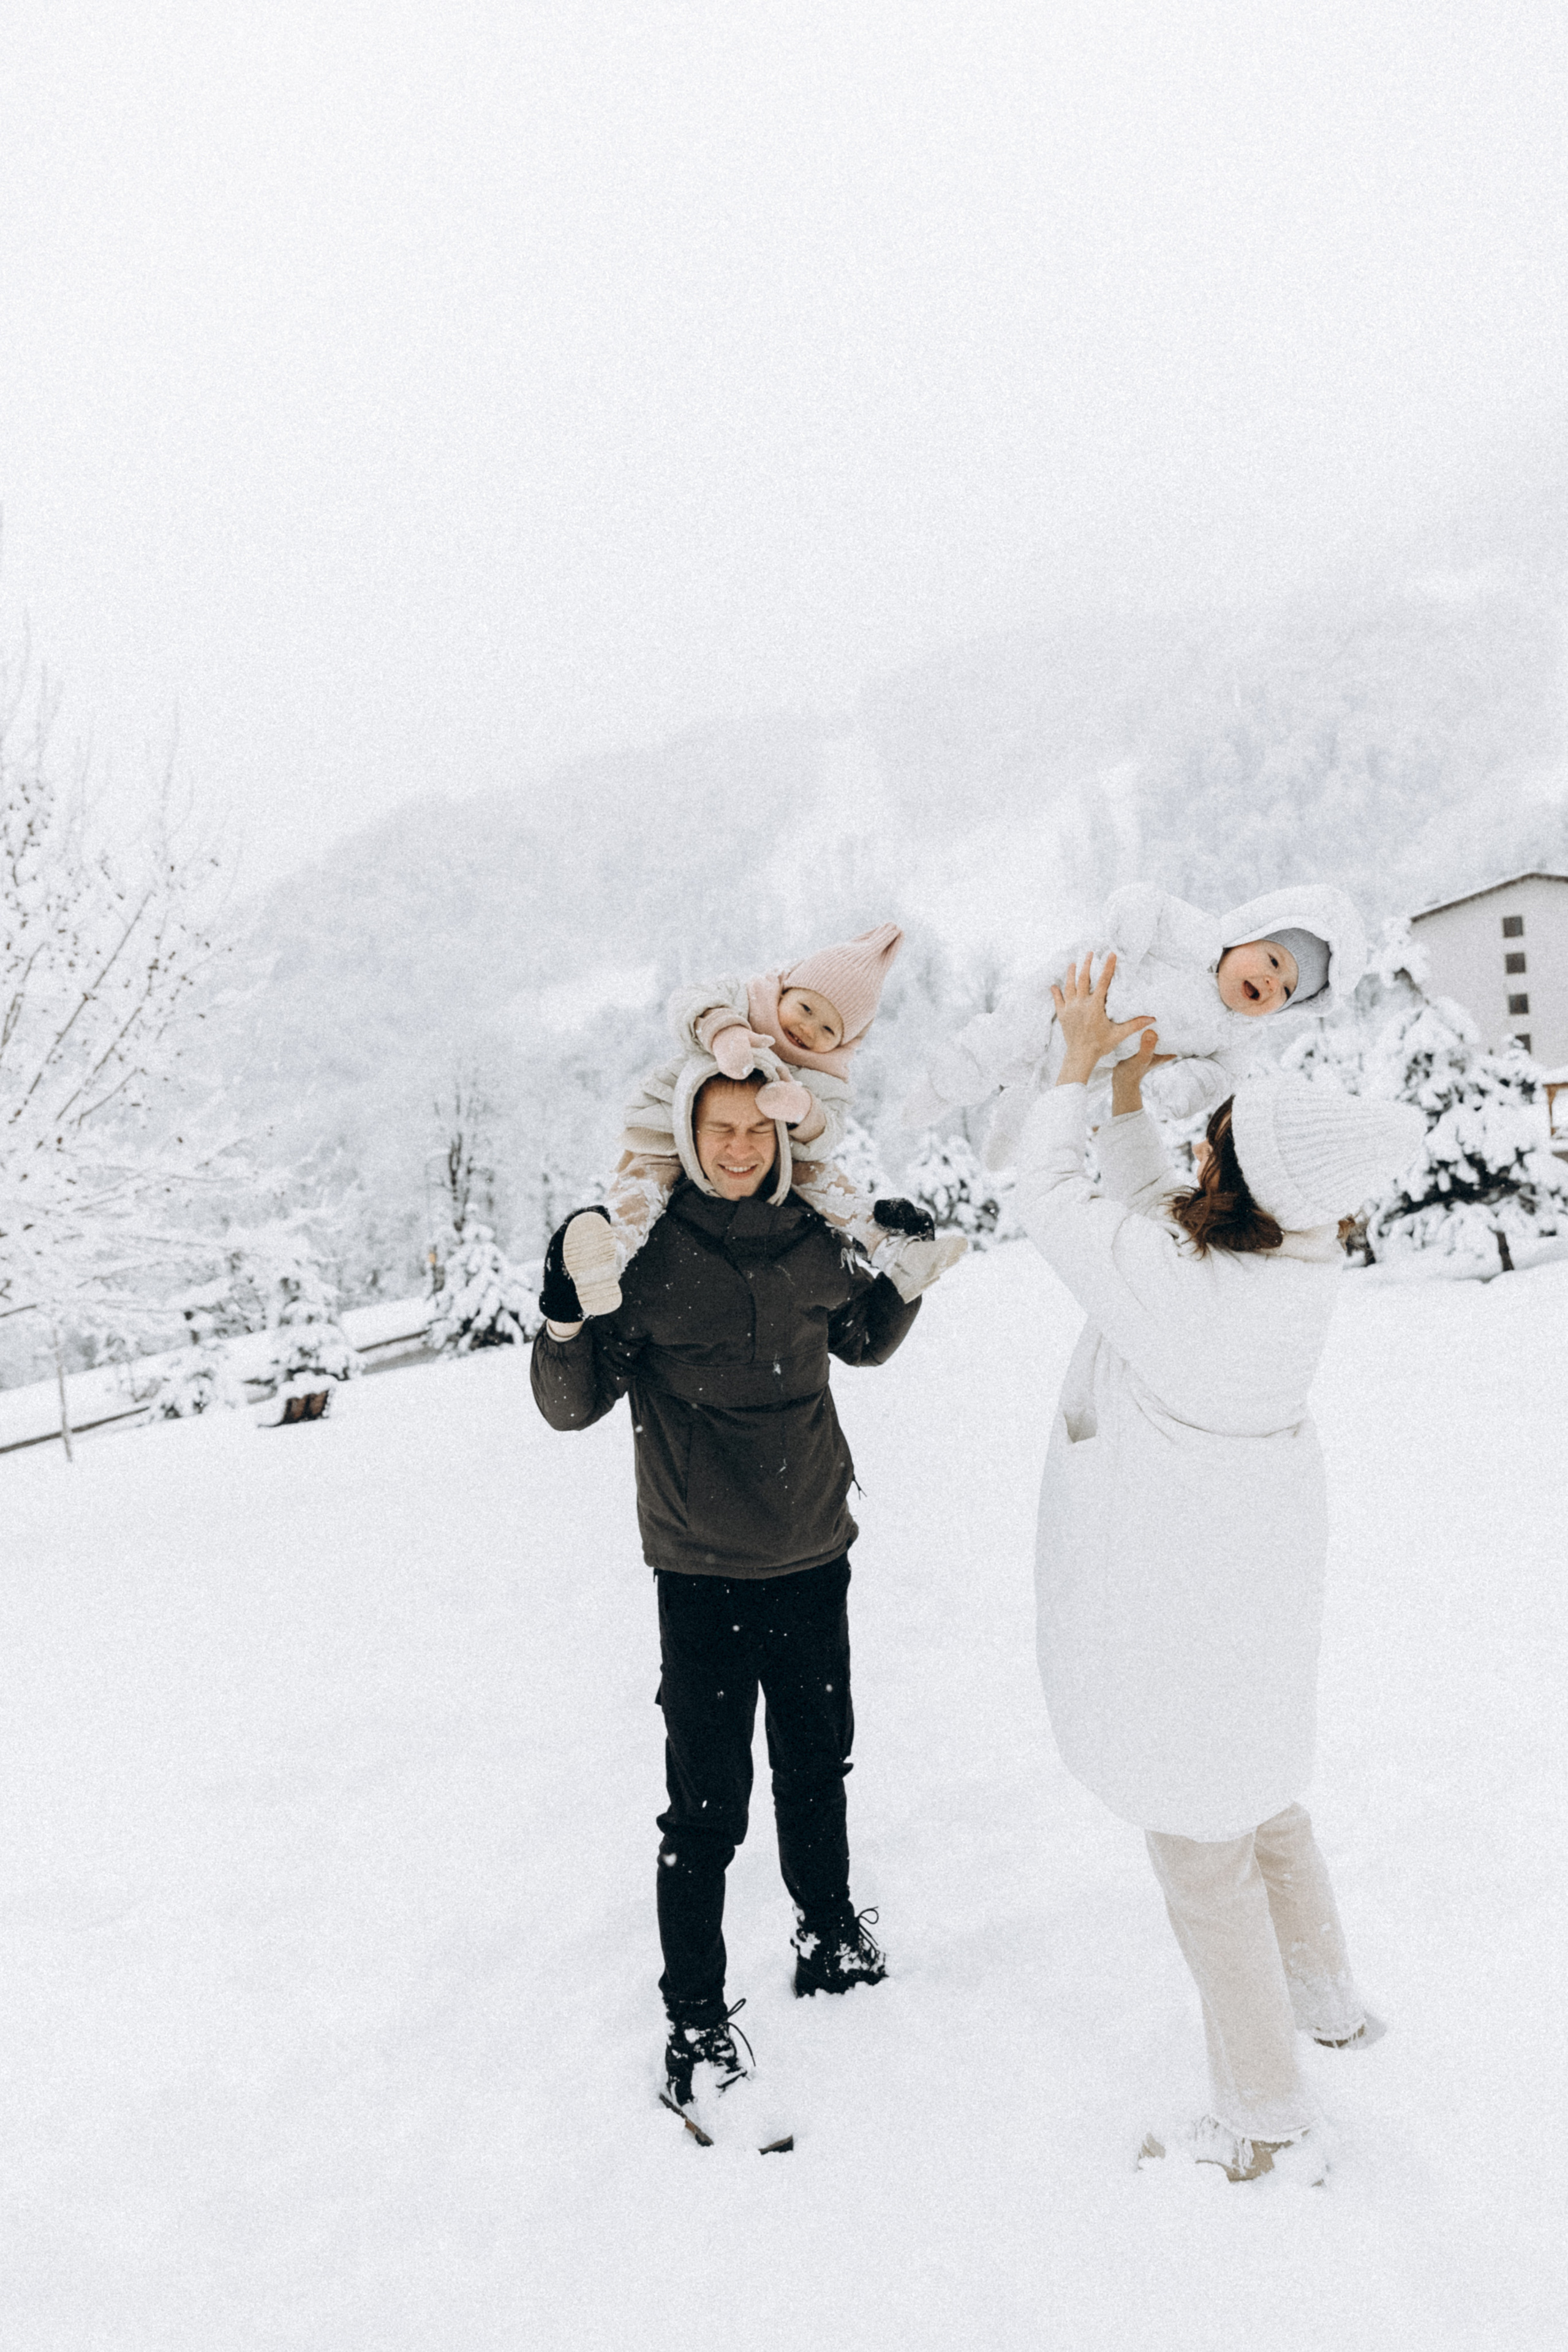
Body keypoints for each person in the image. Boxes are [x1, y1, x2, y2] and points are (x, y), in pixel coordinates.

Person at [1014, 952, 1422, 2185]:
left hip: (1184, 1624)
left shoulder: (1188, 1295)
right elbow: (1160, 1225)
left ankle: (1260, 2118)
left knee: (1204, 1860)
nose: (1202, 1151)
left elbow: (1048, 1198)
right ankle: (1329, 2002)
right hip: (1239, 1615)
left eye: (1217, 1143)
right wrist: (1134, 1105)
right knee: (1263, 1809)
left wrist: (1080, 1068)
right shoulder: (1284, 1265)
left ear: (1244, 1178)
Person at [530, 1056, 925, 2130]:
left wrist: (904, 1278)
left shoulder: (812, 1237)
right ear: (688, 1135)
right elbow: (571, 1406)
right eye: (722, 1129)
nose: (741, 1146)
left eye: (759, 1128)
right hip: (702, 1572)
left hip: (812, 1553)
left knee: (817, 1763)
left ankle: (828, 1927)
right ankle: (695, 2019)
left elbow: (859, 1341)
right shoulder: (645, 1256)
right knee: (705, 1811)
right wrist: (566, 1315)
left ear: (784, 1138)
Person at [557, 921, 965, 1317]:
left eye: (828, 1029)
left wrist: (805, 1111)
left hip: (775, 1154)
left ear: (845, 1041)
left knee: (828, 1182)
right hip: (672, 1122)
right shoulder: (745, 998)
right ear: (785, 988)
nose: (808, 1029)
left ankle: (899, 1253)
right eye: (805, 1008)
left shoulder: (829, 1076)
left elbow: (830, 1131)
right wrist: (723, 1030)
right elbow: (687, 1001)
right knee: (643, 1185)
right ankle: (605, 1259)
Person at [903, 881, 1367, 1169]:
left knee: (1057, 1095)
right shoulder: (1199, 937)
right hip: (1071, 990)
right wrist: (1130, 933)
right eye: (1273, 960)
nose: (1270, 983)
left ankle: (1011, 1129)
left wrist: (1175, 1090)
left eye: (1286, 991)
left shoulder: (1238, 1032)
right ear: (1246, 935)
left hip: (1105, 1055)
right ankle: (943, 1085)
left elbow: (1219, 1076)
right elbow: (1148, 901)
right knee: (1003, 1038)